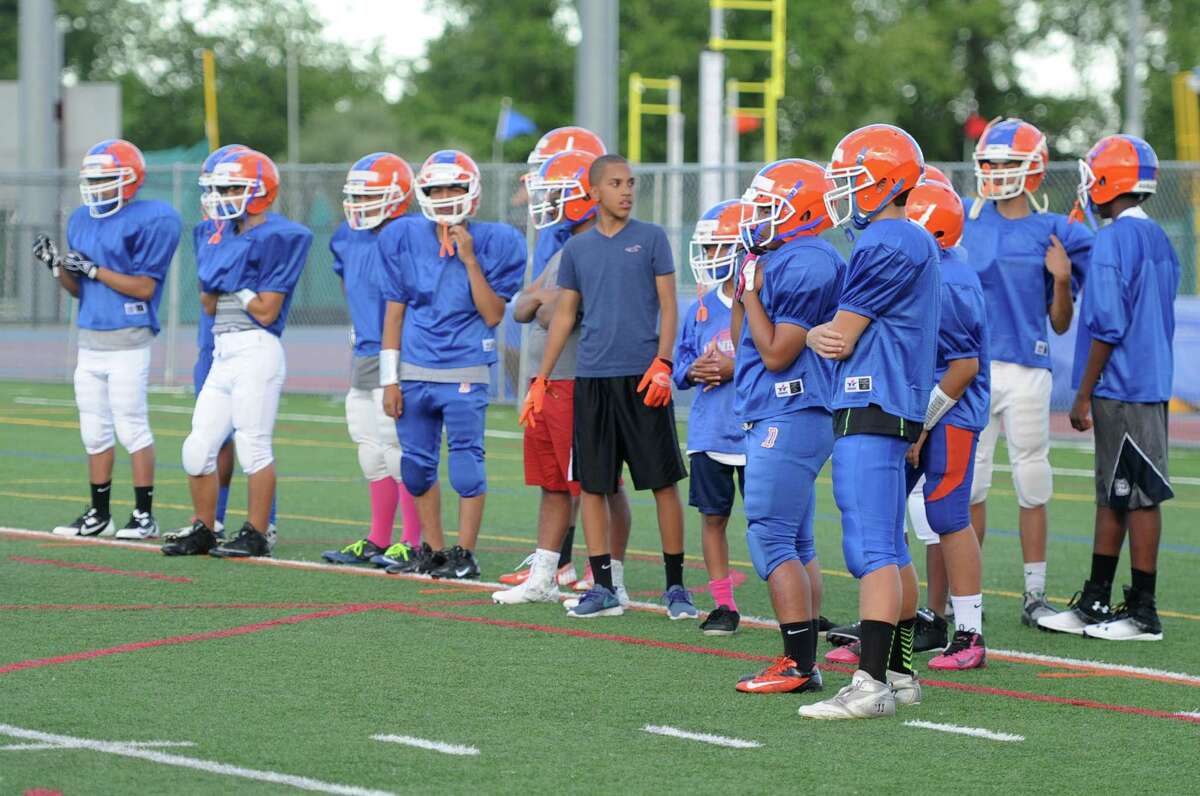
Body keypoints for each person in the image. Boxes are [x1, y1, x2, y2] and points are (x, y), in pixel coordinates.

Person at [802, 124, 939, 719]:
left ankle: (870, 682)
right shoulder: (909, 239)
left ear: (885, 181)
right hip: (894, 399)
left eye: (852, 180)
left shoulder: (886, 240)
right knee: (891, 545)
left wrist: (806, 331)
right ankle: (902, 674)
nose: (844, 192)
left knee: (873, 546)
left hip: (872, 397)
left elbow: (837, 339)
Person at [520, 154, 694, 620]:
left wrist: (664, 362)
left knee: (661, 484)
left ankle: (676, 586)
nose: (627, 190)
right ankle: (602, 589)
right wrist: (541, 379)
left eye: (631, 183)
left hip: (642, 380)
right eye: (616, 183)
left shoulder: (653, 239)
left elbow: (668, 306)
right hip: (590, 381)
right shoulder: (578, 251)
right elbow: (562, 317)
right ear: (594, 192)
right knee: (593, 486)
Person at [1039, 134, 1177, 641]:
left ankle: (1143, 612)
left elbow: (1108, 325)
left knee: (1139, 496)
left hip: (1125, 386)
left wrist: (1081, 393)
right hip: (1144, 382)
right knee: (1115, 494)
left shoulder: (1114, 240)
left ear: (1106, 180)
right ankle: (1097, 597)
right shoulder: (1158, 237)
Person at [963, 118, 1093, 626]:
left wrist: (1061, 280)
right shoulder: (966, 220)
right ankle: (965, 598)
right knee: (969, 486)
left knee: (1032, 480)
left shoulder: (1054, 229)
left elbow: (1060, 322)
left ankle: (1033, 595)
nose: (994, 172)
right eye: (989, 163)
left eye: (1006, 163)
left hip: (1027, 368)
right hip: (969, 370)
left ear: (1033, 170)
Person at [493, 149, 635, 604]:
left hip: (581, 382)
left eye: (555, 193)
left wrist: (544, 301)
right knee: (553, 485)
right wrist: (542, 301)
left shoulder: (601, 247)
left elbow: (556, 312)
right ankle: (544, 576)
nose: (546, 202)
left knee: (599, 485)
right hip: (548, 384)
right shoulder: (565, 249)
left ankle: (610, 579)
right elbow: (521, 307)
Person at [724, 159, 844, 691]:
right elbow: (742, 338)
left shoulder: (809, 262)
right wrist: (743, 286)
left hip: (791, 408)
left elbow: (776, 352)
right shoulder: (782, 256)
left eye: (770, 207)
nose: (758, 217)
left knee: (770, 536)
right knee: (796, 540)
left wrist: (752, 293)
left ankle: (798, 663)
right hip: (780, 409)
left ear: (802, 209)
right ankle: (804, 653)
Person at [377, 150, 526, 579]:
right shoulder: (403, 237)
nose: (444, 196)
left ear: (472, 194)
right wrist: (390, 379)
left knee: (465, 465)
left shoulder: (495, 241)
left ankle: (465, 552)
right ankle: (435, 550)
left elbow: (495, 313)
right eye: (436, 189)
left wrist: (469, 258)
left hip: (464, 369)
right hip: (414, 371)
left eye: (454, 187)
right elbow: (394, 312)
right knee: (417, 467)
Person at [165, 148, 312, 558]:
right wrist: (229, 276)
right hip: (223, 352)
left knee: (253, 445)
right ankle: (205, 527)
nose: (220, 195)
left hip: (256, 349)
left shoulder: (280, 236)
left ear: (259, 191)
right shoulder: (217, 234)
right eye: (216, 187)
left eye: (230, 187)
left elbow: (266, 311)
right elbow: (209, 304)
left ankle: (257, 534)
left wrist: (234, 279)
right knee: (197, 448)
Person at [39, 139, 181, 540]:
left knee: (132, 426)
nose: (96, 186)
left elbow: (144, 288)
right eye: (93, 179)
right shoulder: (82, 219)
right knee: (94, 430)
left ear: (129, 181)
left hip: (128, 338)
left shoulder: (153, 218)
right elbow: (77, 288)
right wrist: (56, 266)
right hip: (90, 338)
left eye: (105, 179)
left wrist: (96, 270)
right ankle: (99, 514)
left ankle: (143, 516)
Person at [903, 180, 990, 670]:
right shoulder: (926, 268)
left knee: (946, 512)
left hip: (952, 411)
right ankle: (894, 621)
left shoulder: (950, 280)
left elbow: (963, 369)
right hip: (924, 406)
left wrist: (922, 425)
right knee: (887, 503)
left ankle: (970, 634)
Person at [321, 153, 422, 567]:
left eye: (371, 195)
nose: (360, 204)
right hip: (364, 349)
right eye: (356, 195)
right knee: (369, 446)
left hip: (401, 353)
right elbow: (351, 287)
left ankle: (413, 541)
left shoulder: (413, 233)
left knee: (398, 446)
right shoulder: (346, 235)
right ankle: (379, 537)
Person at [674, 199, 748, 635]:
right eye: (707, 249)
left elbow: (780, 353)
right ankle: (723, 604)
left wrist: (732, 368)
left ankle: (800, 604)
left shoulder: (761, 297)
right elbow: (680, 366)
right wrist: (692, 370)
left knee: (771, 523)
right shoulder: (699, 307)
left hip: (756, 428)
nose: (711, 259)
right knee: (713, 518)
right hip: (710, 431)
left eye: (721, 248)